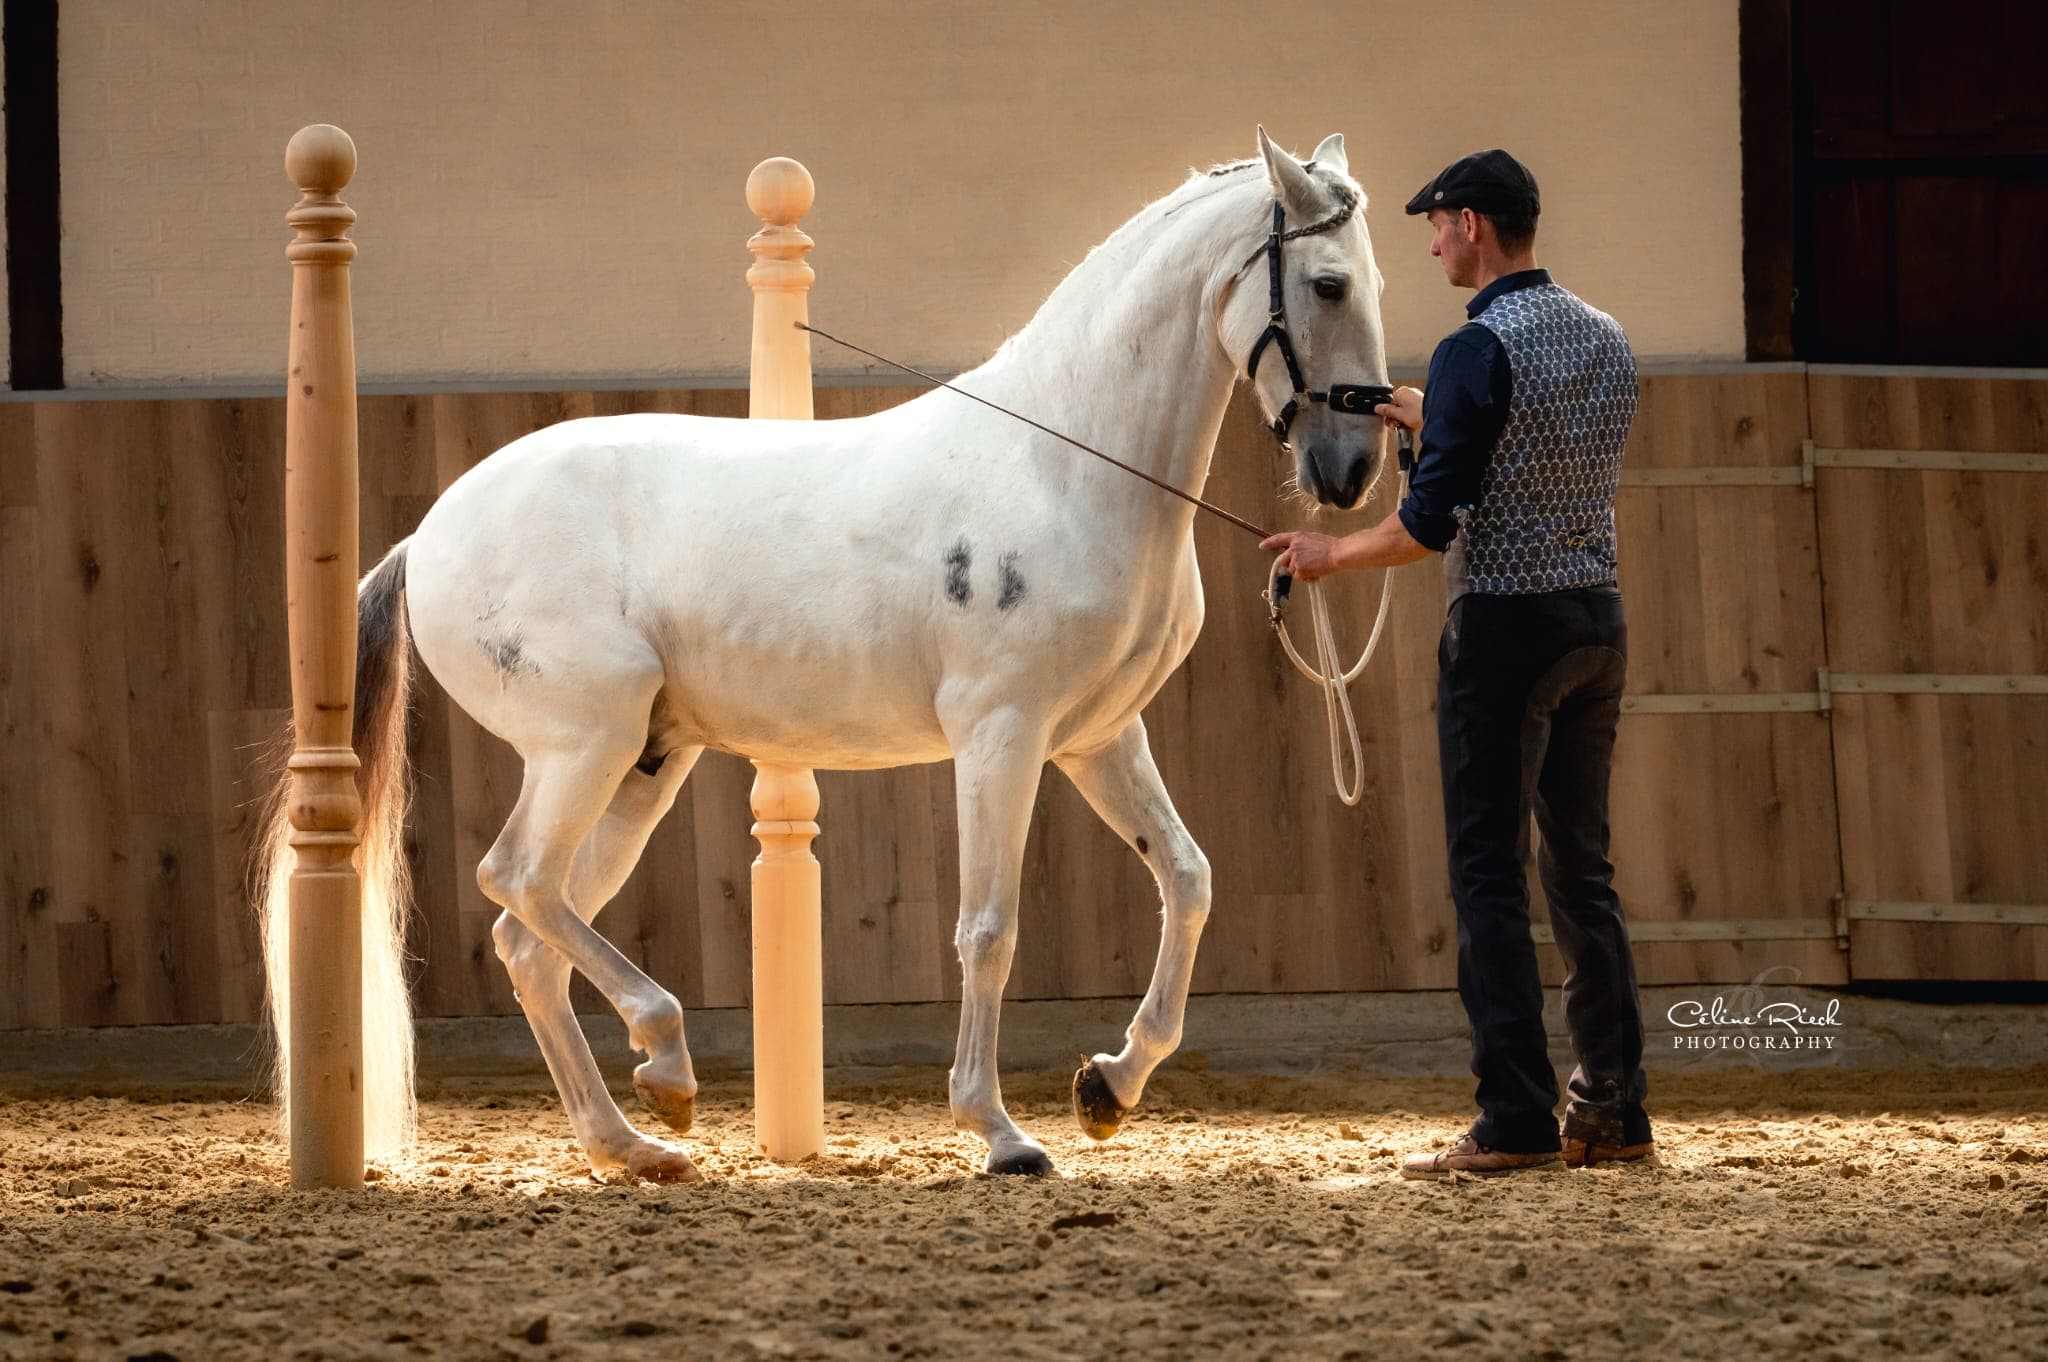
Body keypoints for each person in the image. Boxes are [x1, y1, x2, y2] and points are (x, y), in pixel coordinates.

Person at [1261, 148, 1653, 1178]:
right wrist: (1431, 420)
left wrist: (1328, 554)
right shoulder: (1603, 338)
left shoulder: (1475, 347)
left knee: (1486, 873)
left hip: (1504, 630)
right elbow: (1541, 453)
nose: (1431, 240)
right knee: (1582, 874)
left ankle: (1513, 1117)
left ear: (1472, 225)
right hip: (1594, 623)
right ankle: (1611, 1108)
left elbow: (1429, 526)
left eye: (1436, 224)